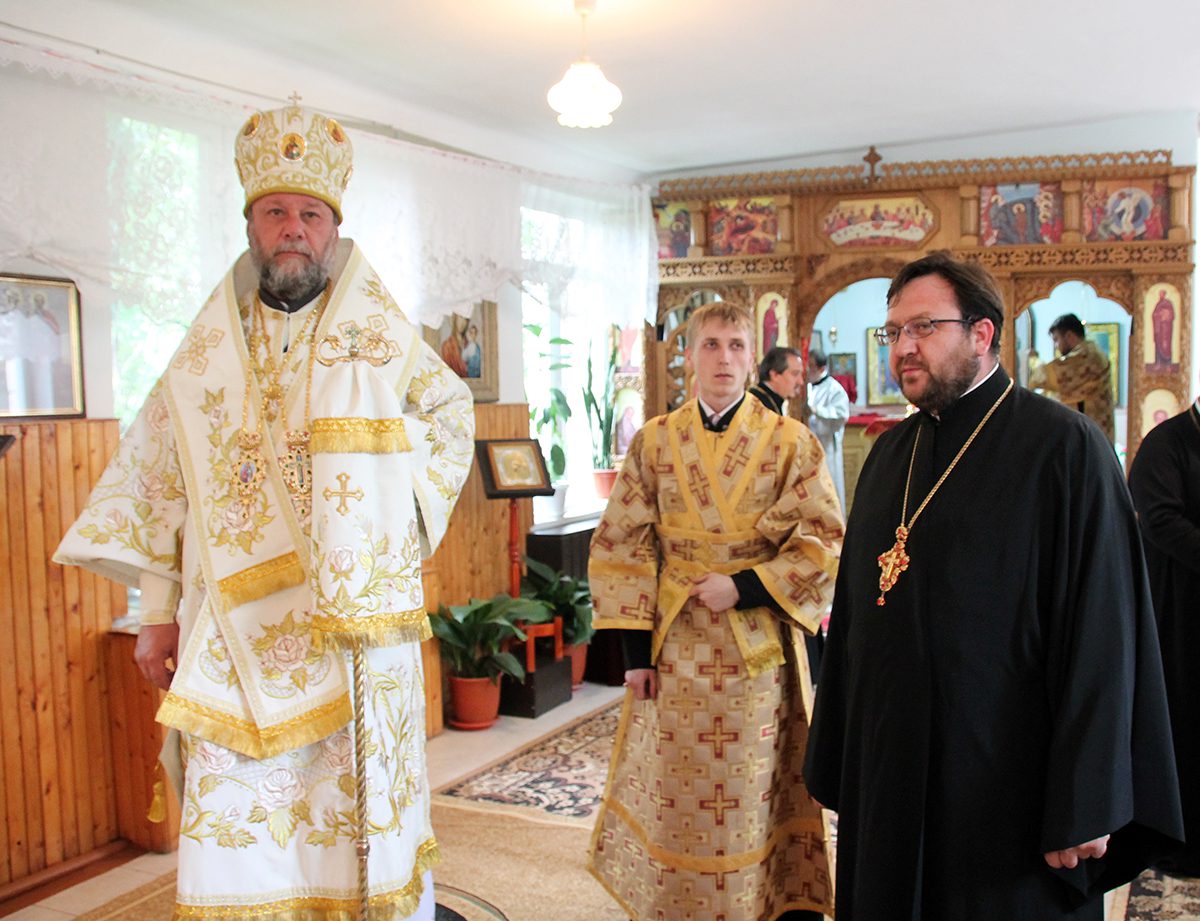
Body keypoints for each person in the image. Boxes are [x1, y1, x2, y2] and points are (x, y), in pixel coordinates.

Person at [54, 103, 476, 921]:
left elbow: (450, 418)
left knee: (354, 811)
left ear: (333, 230)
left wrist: (377, 492)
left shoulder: (378, 335)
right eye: (276, 211)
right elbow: (161, 478)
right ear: (250, 224)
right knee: (249, 818)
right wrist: (155, 613)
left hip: (348, 626)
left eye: (310, 214)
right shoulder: (205, 353)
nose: (293, 229)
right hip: (231, 631)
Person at [802, 251, 1183, 920]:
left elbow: (1105, 636)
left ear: (982, 334)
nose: (904, 347)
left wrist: (1087, 797)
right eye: (894, 331)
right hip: (892, 769)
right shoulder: (889, 454)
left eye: (924, 326)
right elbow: (857, 615)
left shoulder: (1066, 448)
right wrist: (838, 754)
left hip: (1007, 781)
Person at [587, 302, 844, 921]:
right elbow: (623, 544)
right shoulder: (653, 441)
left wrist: (745, 586)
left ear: (751, 359)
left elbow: (823, 539)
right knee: (678, 786)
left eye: (735, 345)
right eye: (710, 345)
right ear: (689, 356)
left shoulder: (791, 442)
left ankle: (760, 902)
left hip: (757, 649)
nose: (723, 358)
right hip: (675, 644)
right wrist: (634, 656)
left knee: (752, 788)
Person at [1129, 395, 1200, 878]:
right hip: (1180, 619)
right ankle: (1180, 845)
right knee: (1184, 728)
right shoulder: (1166, 444)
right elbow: (1160, 520)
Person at [1028, 312, 1116, 442]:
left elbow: (1053, 375)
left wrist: (1031, 361)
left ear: (1069, 336)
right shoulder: (1089, 352)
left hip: (1092, 436)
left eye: (1056, 340)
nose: (1056, 346)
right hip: (1087, 433)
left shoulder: (1089, 355)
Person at [804, 349, 850, 511]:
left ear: (821, 368)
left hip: (826, 446)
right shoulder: (805, 387)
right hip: (806, 447)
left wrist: (816, 411)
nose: (807, 370)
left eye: (811, 366)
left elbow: (840, 416)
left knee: (827, 488)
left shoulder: (834, 389)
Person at [749, 344, 804, 414]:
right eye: (795, 374)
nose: (801, 382)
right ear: (774, 375)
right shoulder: (757, 404)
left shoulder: (771, 401)